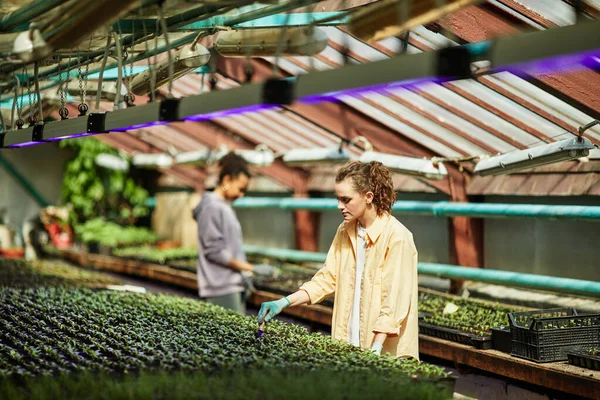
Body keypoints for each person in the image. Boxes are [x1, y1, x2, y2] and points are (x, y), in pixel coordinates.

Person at [257, 161, 419, 359]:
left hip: (385, 352)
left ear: (368, 197)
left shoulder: (397, 238)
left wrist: (376, 350)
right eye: (338, 199)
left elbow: (393, 303)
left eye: (346, 199)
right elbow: (327, 278)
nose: (339, 206)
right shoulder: (345, 231)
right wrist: (284, 302)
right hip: (348, 345)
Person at [194, 152, 273, 314]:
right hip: (220, 287)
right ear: (227, 180)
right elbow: (214, 251)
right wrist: (250, 268)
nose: (241, 195)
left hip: (229, 285)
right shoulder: (211, 207)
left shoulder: (223, 206)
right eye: (240, 189)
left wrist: (244, 274)